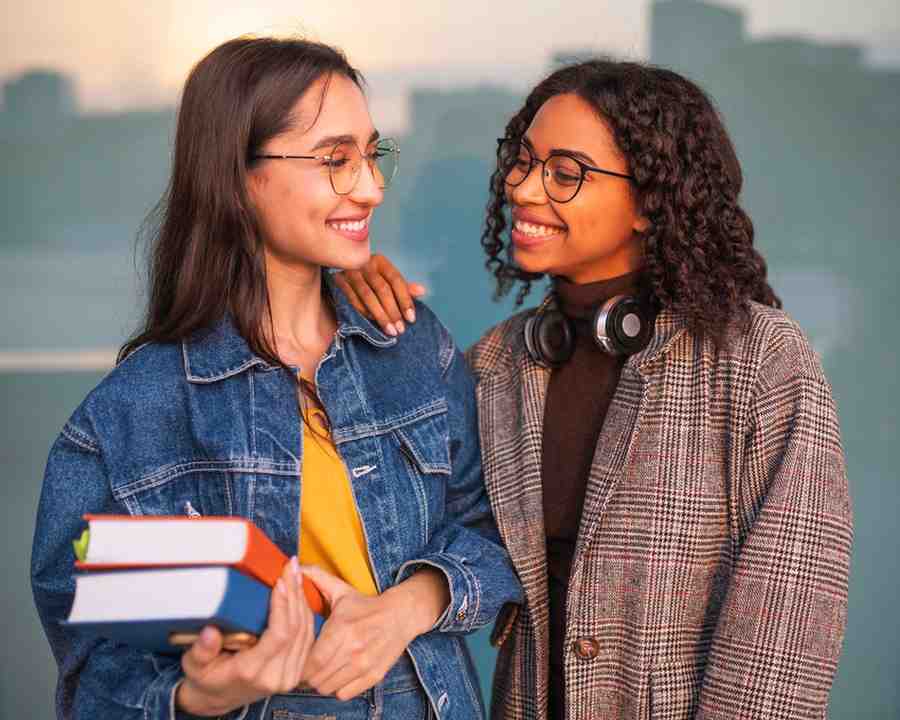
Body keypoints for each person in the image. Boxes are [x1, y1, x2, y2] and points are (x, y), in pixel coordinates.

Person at [335, 59, 852, 720]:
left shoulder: (759, 359)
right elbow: (388, 508)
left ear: (649, 203)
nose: (523, 188)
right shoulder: (497, 364)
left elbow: (788, 626)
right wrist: (336, 288)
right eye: (523, 162)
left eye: (565, 173)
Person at [30, 36, 521, 720]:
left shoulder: (411, 345)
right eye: (335, 160)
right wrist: (203, 693)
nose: (372, 187)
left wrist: (404, 608)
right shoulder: (130, 414)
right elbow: (93, 675)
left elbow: (497, 529)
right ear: (238, 176)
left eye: (372, 154)